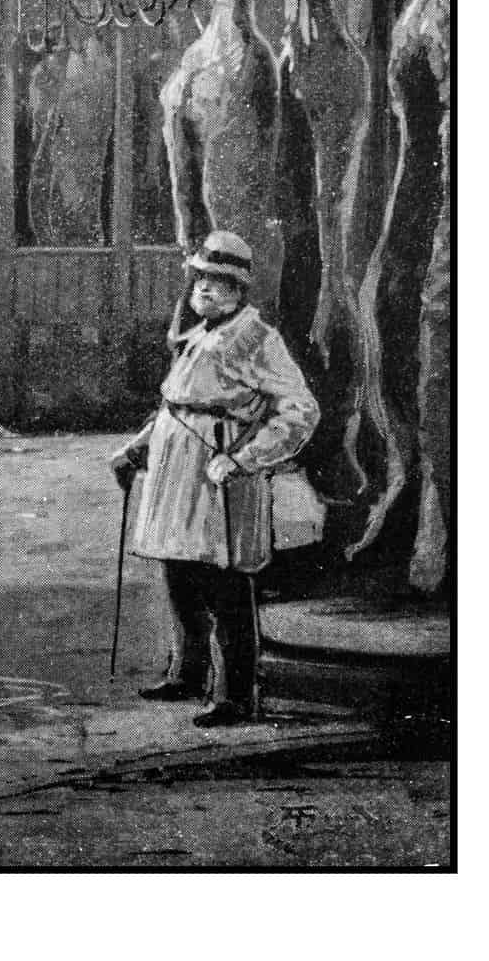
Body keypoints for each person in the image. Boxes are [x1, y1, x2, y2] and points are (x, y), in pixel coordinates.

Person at [110, 231, 319, 727]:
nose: (207, 288)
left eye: (220, 282)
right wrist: (137, 449)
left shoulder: (256, 338)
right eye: (201, 278)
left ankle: (234, 694)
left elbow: (299, 409)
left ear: (241, 290)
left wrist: (246, 457)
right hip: (174, 476)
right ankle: (188, 672)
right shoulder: (197, 334)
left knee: (225, 585)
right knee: (179, 573)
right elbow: (174, 408)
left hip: (218, 474)